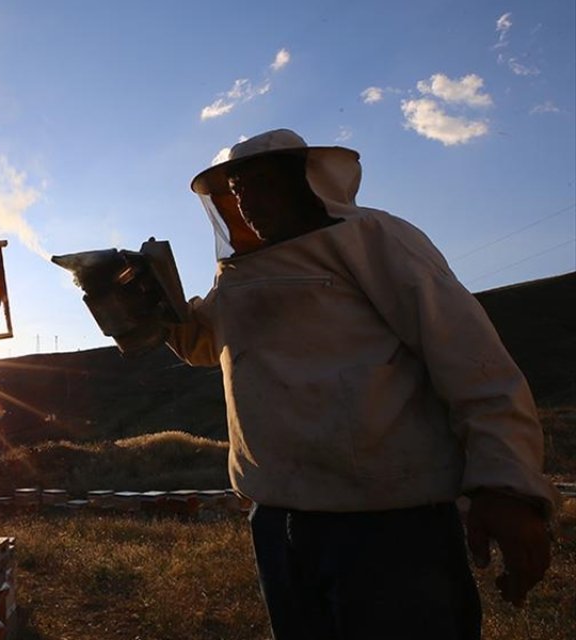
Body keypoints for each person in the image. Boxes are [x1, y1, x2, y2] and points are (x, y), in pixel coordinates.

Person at [166, 129, 558, 640]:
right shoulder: (238, 274)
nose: (246, 200)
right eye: (237, 189)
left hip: (390, 523)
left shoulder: (374, 237)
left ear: (306, 183)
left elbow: (473, 363)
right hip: (277, 518)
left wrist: (507, 485)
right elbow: (203, 346)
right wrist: (153, 308)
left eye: (259, 183)